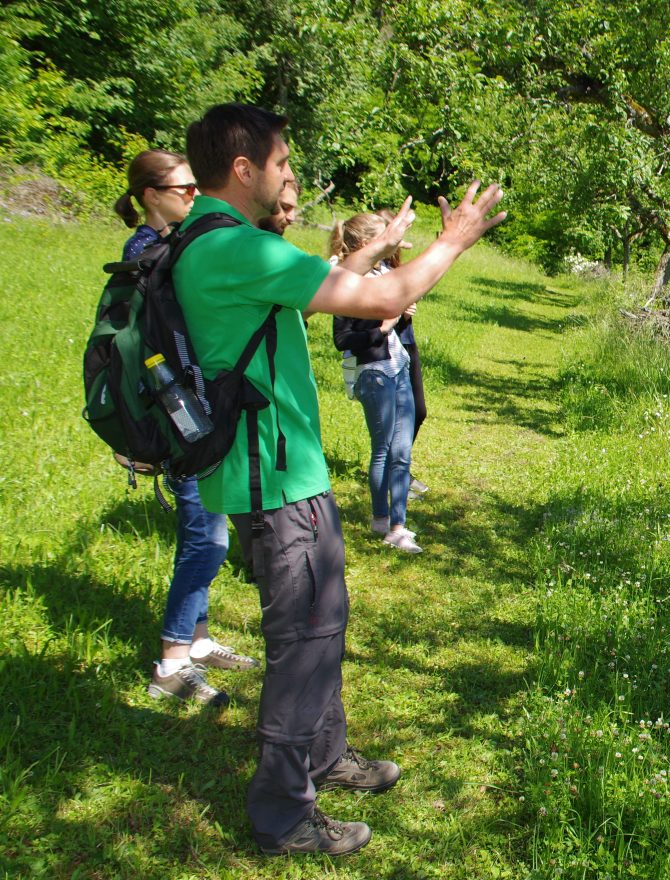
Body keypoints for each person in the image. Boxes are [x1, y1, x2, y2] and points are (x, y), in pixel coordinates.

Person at [173, 103, 503, 857]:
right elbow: (385, 299)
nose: (290, 176)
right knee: (305, 643)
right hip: (277, 481)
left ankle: (325, 757)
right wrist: (453, 241)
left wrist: (376, 247)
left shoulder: (212, 242)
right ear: (244, 168)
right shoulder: (237, 248)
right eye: (282, 163)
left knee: (319, 628)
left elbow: (320, 287)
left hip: (275, 474)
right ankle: (283, 813)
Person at [114, 149, 257, 709]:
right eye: (184, 189)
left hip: (194, 410)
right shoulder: (145, 255)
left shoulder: (167, 246)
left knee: (206, 526)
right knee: (207, 538)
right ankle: (171, 665)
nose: (195, 197)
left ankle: (196, 640)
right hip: (178, 418)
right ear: (151, 195)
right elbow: (141, 353)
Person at [329, 214, 421, 553]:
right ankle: (381, 518)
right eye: (384, 236)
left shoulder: (384, 274)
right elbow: (342, 339)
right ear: (366, 243)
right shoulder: (346, 281)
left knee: (402, 451)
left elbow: (396, 323)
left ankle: (398, 525)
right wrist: (381, 328)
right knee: (383, 449)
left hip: (399, 366)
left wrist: (403, 316)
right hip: (374, 374)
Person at [376, 209, 429, 497]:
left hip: (406, 343)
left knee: (417, 411)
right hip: (384, 351)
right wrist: (398, 309)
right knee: (396, 418)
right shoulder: (372, 271)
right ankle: (395, 477)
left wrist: (407, 311)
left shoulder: (394, 266)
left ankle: (399, 470)